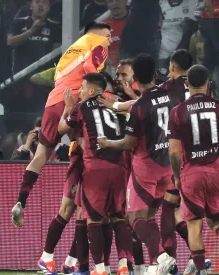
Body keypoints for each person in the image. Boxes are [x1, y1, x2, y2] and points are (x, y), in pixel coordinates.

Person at [12, 22, 112, 227]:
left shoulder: (71, 51)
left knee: (40, 156)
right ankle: (100, 197)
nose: (110, 39)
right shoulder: (99, 45)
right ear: (96, 33)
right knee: (88, 147)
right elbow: (90, 72)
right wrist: (103, 93)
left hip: (53, 102)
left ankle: (21, 202)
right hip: (75, 100)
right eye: (108, 34)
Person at [97, 54, 176, 275]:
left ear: (135, 80)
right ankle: (154, 263)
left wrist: (107, 143)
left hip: (146, 168)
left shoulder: (141, 106)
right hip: (167, 166)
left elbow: (129, 143)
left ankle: (161, 257)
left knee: (135, 218)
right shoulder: (169, 96)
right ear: (154, 75)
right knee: (149, 217)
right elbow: (140, 104)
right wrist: (119, 105)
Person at [167, 65, 219, 275]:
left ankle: (201, 270)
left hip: (192, 172)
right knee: (216, 220)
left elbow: (173, 152)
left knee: (193, 225)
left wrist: (176, 176)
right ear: (208, 83)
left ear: (186, 84)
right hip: (217, 170)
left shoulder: (177, 111)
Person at [58, 73, 133, 275]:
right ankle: (124, 266)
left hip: (96, 167)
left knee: (93, 219)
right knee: (119, 218)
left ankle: (100, 269)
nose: (80, 91)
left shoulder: (81, 107)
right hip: (120, 166)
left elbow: (61, 128)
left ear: (91, 90)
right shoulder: (116, 103)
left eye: (82, 87)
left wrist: (67, 107)